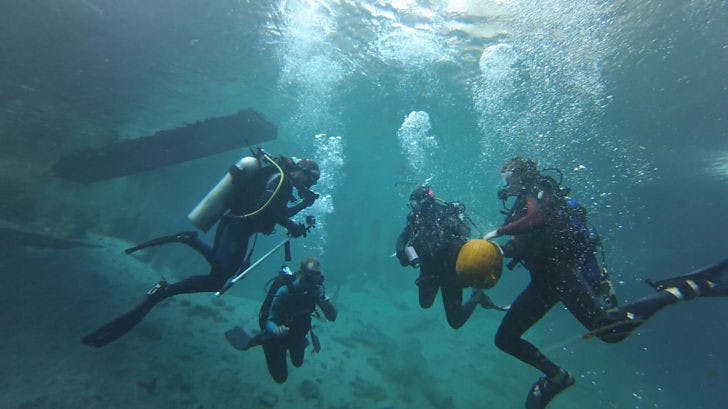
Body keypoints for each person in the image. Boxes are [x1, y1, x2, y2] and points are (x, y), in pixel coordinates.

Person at [482, 157, 728, 409]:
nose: (507, 184)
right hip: (543, 282)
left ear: (522, 175)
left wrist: (500, 234)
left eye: (508, 178)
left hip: (560, 277)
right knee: (506, 338)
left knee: (610, 331)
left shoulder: (537, 190)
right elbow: (528, 241)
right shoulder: (524, 202)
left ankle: (681, 290)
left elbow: (538, 220)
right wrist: (498, 250)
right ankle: (557, 378)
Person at [82, 150, 321, 348]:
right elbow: (266, 209)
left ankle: (189, 242)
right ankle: (165, 290)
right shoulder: (280, 181)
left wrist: (301, 206)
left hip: (236, 227)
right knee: (219, 279)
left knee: (219, 271)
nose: (307, 185)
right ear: (300, 170)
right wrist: (292, 222)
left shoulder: (280, 181)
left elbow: (275, 211)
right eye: (308, 180)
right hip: (236, 229)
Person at [395, 186, 507, 330]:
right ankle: (476, 296)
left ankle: (477, 297)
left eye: (415, 205)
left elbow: (464, 233)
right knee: (425, 303)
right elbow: (403, 237)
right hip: (429, 269)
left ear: (425, 202)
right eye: (412, 205)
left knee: (455, 321)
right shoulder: (416, 219)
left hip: (451, 272)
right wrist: (401, 253)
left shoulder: (447, 214)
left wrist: (445, 242)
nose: (414, 209)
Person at [225, 258, 337, 384]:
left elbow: (332, 317)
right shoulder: (286, 291)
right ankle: (262, 340)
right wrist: (275, 329)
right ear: (301, 274)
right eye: (310, 276)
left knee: (298, 363)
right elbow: (270, 320)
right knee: (280, 378)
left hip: (297, 334)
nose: (313, 281)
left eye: (317, 276)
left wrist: (326, 304)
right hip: (277, 337)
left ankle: (291, 343)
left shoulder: (316, 291)